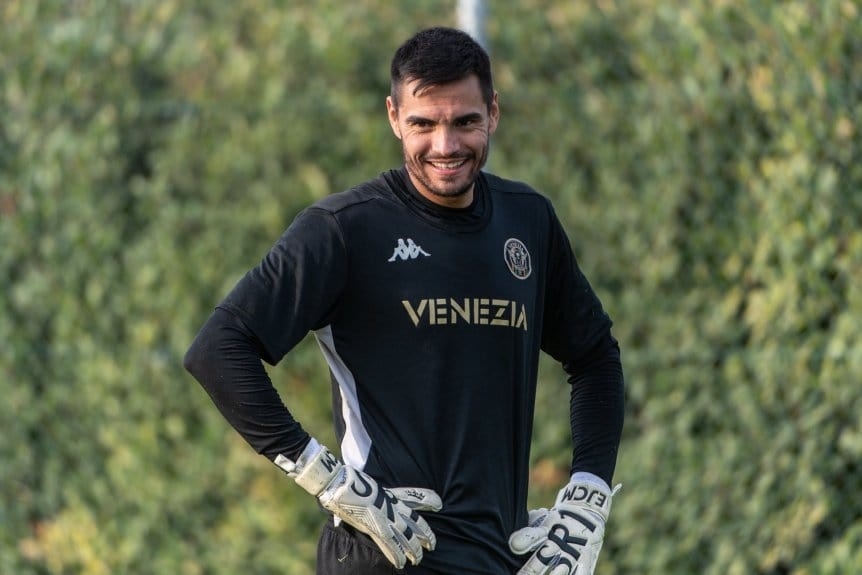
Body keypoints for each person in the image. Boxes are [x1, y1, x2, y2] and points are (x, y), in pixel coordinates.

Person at [184, 26, 625, 575]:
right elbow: (217, 349)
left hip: (502, 559)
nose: (445, 146)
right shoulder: (344, 229)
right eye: (423, 124)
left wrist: (588, 497)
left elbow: (595, 357)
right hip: (384, 556)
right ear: (394, 117)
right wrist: (324, 476)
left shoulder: (528, 220)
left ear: (493, 112)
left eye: (464, 121)